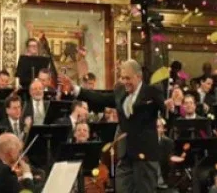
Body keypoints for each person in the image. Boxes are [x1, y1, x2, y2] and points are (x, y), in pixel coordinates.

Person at [64, 60, 165, 193]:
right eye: (122, 77)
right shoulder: (120, 91)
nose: (124, 81)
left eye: (128, 78)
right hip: (125, 155)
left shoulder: (151, 91)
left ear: (138, 77)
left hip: (144, 156)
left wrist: (170, 107)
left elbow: (166, 108)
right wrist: (77, 90)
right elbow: (101, 98)